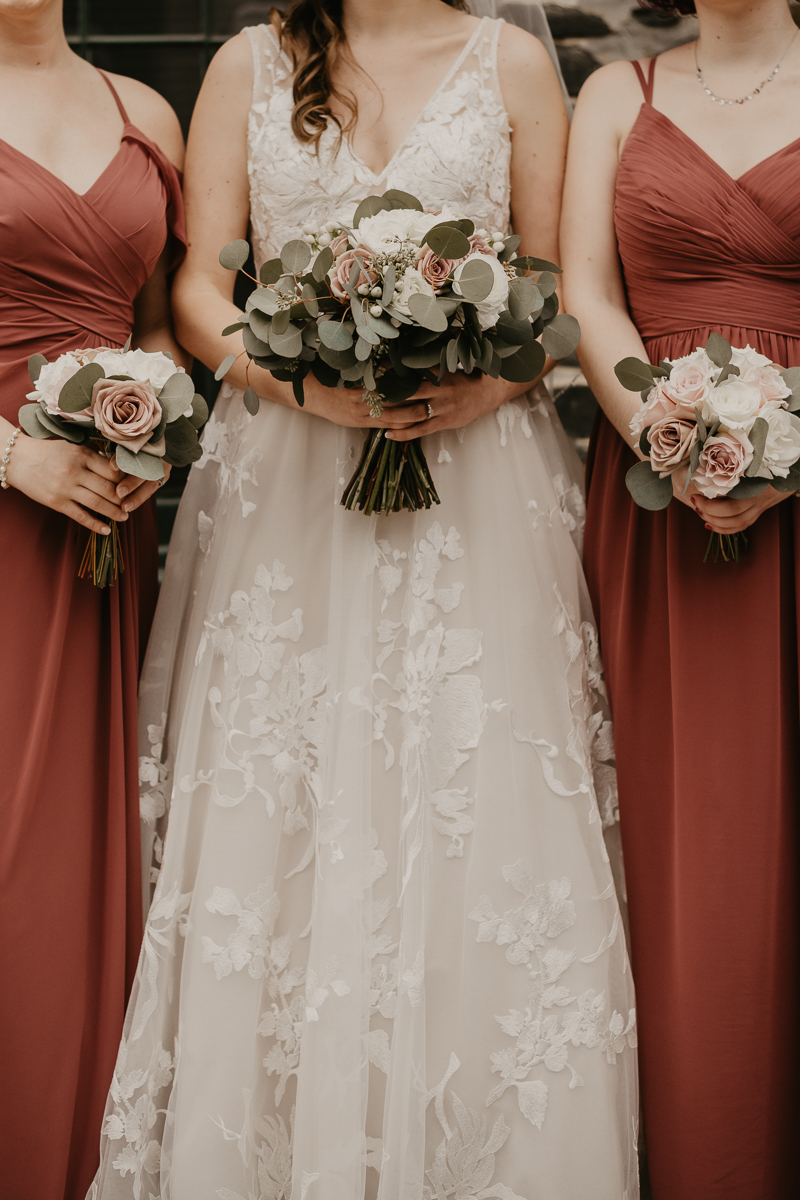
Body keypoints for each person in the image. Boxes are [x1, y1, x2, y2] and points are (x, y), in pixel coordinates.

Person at [91, 2, 638, 1196]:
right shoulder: (248, 63)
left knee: (477, 792)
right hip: (289, 487)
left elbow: (548, 293)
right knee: (286, 802)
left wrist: (476, 392)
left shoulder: (510, 65)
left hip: (479, 492)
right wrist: (302, 381)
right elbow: (197, 292)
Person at [561, 0, 800, 1195]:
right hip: (651, 503)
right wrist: (662, 430)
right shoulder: (617, 95)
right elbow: (585, 298)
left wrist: (786, 446)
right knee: (677, 841)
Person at [0, 2, 187, 1196]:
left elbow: (159, 323)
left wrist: (152, 420)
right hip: (13, 494)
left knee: (92, 847)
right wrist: (13, 456)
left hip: (110, 535)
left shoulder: (145, 113)